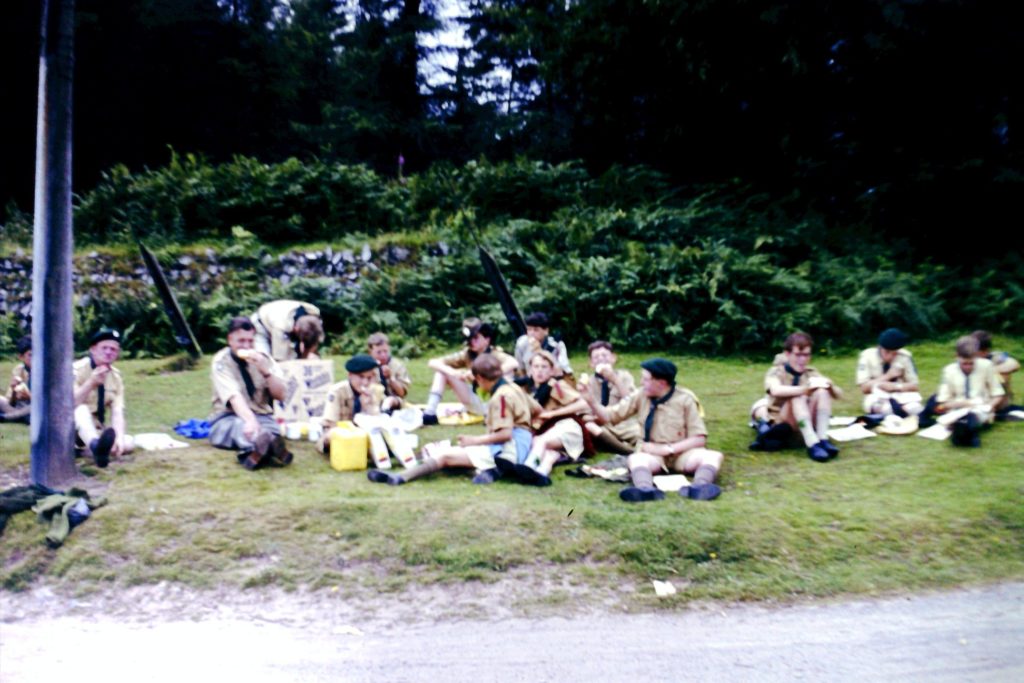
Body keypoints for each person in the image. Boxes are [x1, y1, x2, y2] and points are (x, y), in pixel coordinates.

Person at [366, 353, 533, 486]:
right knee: (448, 453)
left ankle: (400, 477)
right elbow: (538, 411)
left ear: (481, 379)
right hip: (520, 446)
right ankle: (490, 470)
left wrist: (474, 440)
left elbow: (505, 434)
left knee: (444, 455)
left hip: (506, 451)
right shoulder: (514, 387)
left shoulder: (500, 397)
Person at [583, 358, 724, 503]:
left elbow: (699, 438)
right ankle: (645, 490)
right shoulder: (641, 395)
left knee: (713, 456)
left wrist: (668, 449)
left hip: (682, 453)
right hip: (652, 454)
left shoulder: (685, 399)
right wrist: (591, 401)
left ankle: (700, 487)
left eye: (646, 379)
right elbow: (609, 416)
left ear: (661, 383)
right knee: (636, 459)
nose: (641, 383)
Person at [208, 317, 292, 470]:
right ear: (230, 340)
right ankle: (264, 446)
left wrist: (266, 372)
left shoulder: (263, 358)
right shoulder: (221, 362)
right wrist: (250, 421)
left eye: (250, 341)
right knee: (241, 428)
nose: (246, 346)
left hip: (262, 415)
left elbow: (281, 395)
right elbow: (234, 397)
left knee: (269, 429)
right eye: (241, 341)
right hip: (229, 416)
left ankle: (260, 447)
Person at [754, 332, 843, 462]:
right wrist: (804, 390)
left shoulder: (811, 372)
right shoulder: (777, 371)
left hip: (805, 420)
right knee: (797, 396)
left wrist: (830, 387)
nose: (802, 360)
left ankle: (822, 439)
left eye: (806, 355)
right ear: (788, 354)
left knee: (822, 391)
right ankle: (812, 444)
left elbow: (839, 394)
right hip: (784, 424)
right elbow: (775, 390)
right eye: (798, 355)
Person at [504, 351, 590, 486]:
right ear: (530, 369)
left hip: (565, 426)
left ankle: (530, 466)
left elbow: (583, 403)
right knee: (547, 451)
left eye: (544, 367)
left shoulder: (556, 385)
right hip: (546, 431)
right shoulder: (527, 387)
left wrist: (553, 414)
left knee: (540, 441)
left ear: (551, 370)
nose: (540, 371)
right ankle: (542, 472)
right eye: (536, 367)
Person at [421, 318, 517, 425]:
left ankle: (494, 414)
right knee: (441, 372)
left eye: (476, 338)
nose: (472, 342)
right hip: (474, 399)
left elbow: (513, 362)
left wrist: (484, 374)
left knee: (507, 375)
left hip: (493, 401)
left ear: (487, 340)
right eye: (470, 339)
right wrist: (454, 372)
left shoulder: (495, 354)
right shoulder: (467, 354)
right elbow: (433, 362)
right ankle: (430, 412)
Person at [72, 328, 135, 467]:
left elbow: (117, 412)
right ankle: (94, 447)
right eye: (104, 348)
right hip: (70, 427)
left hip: (94, 429)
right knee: (81, 410)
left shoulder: (116, 377)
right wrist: (91, 383)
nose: (108, 352)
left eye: (113, 349)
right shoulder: (77, 369)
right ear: (93, 349)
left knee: (128, 442)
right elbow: (70, 404)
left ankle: (94, 450)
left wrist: (118, 439)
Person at [934, 336, 1004, 447]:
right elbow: (943, 402)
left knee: (974, 416)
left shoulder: (986, 366)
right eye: (964, 363)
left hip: (981, 408)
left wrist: (990, 406)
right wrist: (963, 404)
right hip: (957, 408)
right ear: (956, 357)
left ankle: (966, 430)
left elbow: (998, 394)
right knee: (958, 418)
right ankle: (964, 431)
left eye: (971, 363)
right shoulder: (949, 370)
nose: (968, 367)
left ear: (976, 356)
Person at [578, 340, 640, 454]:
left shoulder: (624, 376)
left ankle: (615, 444)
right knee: (589, 427)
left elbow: (633, 402)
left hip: (625, 423)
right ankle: (626, 450)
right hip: (602, 426)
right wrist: (596, 418)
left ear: (613, 358)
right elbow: (583, 415)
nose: (601, 359)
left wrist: (615, 380)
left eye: (605, 355)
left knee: (643, 433)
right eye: (596, 357)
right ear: (591, 363)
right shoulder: (588, 383)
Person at [317, 354, 382, 452]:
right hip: (341, 433)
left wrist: (365, 407)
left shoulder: (371, 391)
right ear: (350, 375)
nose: (365, 382)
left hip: (362, 434)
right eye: (361, 377)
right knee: (332, 435)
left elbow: (375, 422)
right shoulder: (337, 391)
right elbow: (331, 424)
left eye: (369, 378)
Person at [856, 328, 923, 417]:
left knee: (916, 409)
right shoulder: (867, 357)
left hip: (901, 394)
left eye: (895, 353)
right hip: (877, 396)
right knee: (885, 410)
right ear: (879, 347)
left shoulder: (905, 357)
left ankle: (901, 411)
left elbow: (914, 386)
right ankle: (895, 412)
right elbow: (864, 388)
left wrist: (895, 387)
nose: (890, 356)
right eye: (887, 352)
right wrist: (888, 376)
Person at [251, 299, 324, 361]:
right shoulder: (281, 326)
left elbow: (312, 340)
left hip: (280, 317)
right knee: (264, 358)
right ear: (296, 329)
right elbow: (279, 358)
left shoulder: (314, 313)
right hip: (261, 324)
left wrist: (305, 356)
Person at [971, 330, 1020, 415]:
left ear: (985, 351)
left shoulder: (995, 357)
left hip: (997, 397)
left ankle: (999, 407)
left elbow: (1014, 364)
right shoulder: (967, 357)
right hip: (974, 396)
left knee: (1003, 374)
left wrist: (989, 371)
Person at [514, 312, 572, 380]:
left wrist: (539, 351)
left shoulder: (556, 345)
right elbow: (521, 369)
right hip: (530, 381)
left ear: (546, 331)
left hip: (553, 382)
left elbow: (563, 371)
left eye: (536, 330)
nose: (531, 333)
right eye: (529, 329)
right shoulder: (522, 343)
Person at [367, 332, 411, 413]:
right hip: (370, 400)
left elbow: (402, 393)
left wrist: (391, 378)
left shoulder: (397, 366)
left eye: (385, 351)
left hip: (394, 400)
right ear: (370, 352)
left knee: (391, 400)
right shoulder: (366, 366)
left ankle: (385, 409)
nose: (383, 355)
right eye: (379, 352)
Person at [0, 335, 32, 424]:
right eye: (30, 355)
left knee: (33, 407)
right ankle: (17, 417)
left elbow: (46, 401)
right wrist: (14, 390)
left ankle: (5, 417)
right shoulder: (19, 370)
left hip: (35, 408)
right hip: (20, 407)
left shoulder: (44, 372)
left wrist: (29, 396)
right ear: (21, 357)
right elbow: (11, 402)